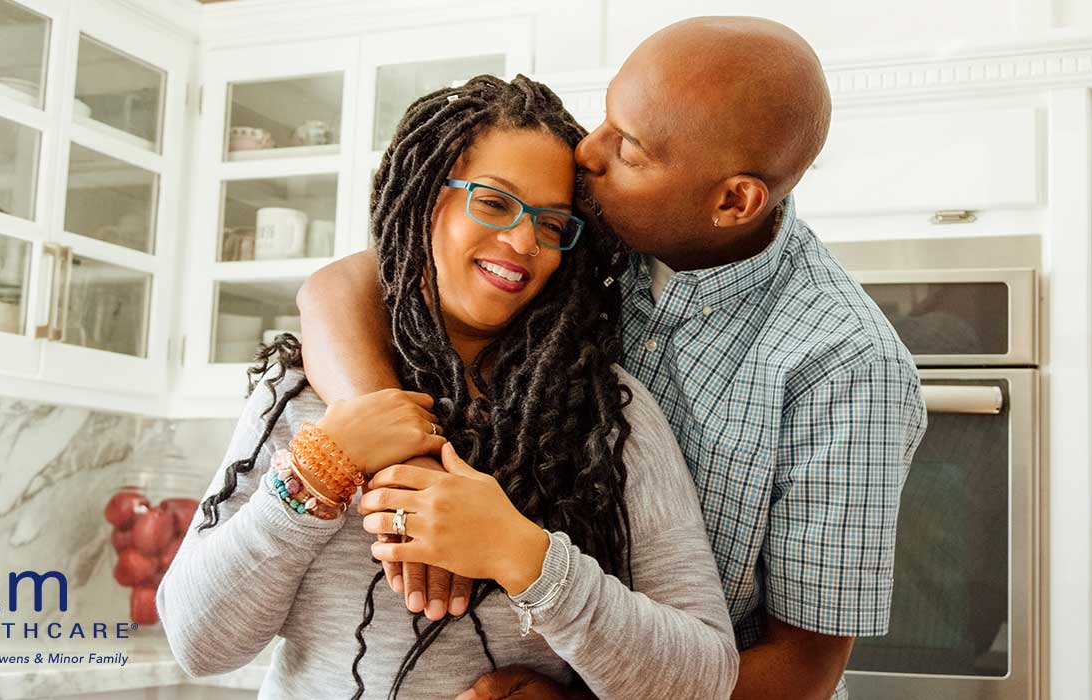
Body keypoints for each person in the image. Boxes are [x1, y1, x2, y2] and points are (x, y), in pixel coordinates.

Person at [296, 17, 928, 700]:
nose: (587, 152)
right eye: (605, 118)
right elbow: (355, 281)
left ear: (733, 200)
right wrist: (399, 452)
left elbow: (803, 671)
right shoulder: (600, 230)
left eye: (627, 145)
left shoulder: (846, 366)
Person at [157, 75, 738, 700]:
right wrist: (316, 476)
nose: (522, 242)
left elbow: (705, 677)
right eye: (492, 202)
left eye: (551, 224)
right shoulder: (306, 393)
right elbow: (198, 644)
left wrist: (526, 558)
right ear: (427, 197)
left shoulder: (607, 413)